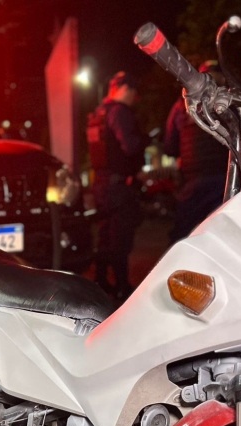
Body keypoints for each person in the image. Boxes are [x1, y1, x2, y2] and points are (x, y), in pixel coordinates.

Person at [87, 71, 148, 299]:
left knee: (105, 236)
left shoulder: (97, 114)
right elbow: (130, 146)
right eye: (134, 94)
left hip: (101, 185)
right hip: (118, 187)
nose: (134, 99)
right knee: (120, 237)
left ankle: (101, 281)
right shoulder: (120, 113)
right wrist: (144, 140)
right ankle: (123, 287)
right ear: (125, 89)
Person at [164, 60, 231, 243]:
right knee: (223, 238)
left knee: (184, 237)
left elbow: (169, 145)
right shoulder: (228, 99)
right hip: (223, 181)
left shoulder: (181, 104)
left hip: (192, 183)